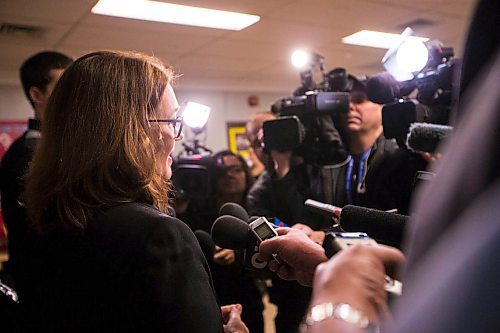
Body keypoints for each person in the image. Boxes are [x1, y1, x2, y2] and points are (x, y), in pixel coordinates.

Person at [14, 51, 247, 333]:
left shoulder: (45, 220)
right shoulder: (159, 236)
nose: (179, 136)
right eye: (172, 122)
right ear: (132, 131)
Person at [0, 51, 73, 280]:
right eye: (63, 88)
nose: (73, 97)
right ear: (36, 94)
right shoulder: (24, 155)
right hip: (39, 285)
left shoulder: (63, 146)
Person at [177, 150, 264, 333]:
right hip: (212, 297)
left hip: (248, 298)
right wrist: (181, 209)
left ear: (246, 174)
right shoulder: (198, 212)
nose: (229, 175)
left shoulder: (257, 206)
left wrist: (239, 253)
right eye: (222, 172)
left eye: (235, 169)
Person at [245, 111, 277, 179]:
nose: (266, 147)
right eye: (258, 143)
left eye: (272, 137)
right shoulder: (261, 188)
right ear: (252, 149)